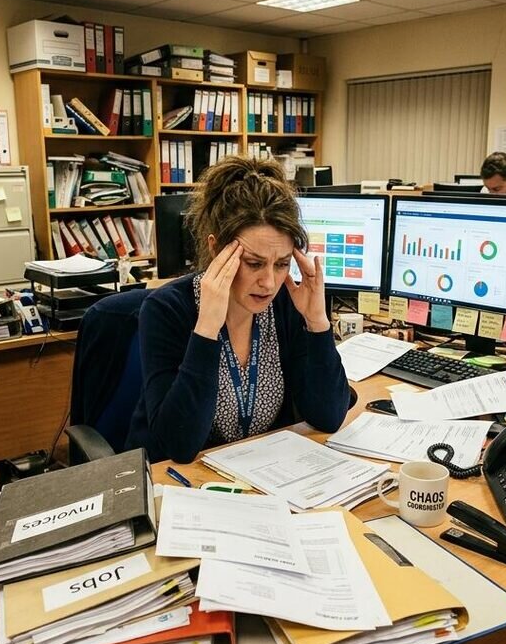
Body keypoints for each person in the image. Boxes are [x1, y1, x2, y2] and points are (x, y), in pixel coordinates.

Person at [126, 157, 350, 463]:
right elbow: (178, 446)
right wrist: (207, 329)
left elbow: (329, 416)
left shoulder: (285, 303)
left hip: (265, 471)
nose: (269, 282)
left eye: (282, 264)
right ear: (217, 249)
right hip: (183, 480)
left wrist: (317, 322)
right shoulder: (167, 310)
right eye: (254, 263)